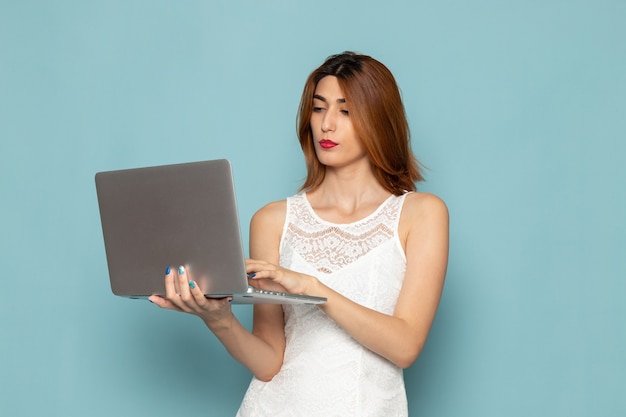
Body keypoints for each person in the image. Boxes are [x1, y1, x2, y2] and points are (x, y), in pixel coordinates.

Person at [149, 51, 449, 416]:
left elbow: (405, 346)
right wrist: (218, 319)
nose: (326, 125)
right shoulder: (273, 220)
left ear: (380, 119)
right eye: (319, 108)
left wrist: (312, 288)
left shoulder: (421, 214)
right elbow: (269, 362)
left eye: (346, 110)